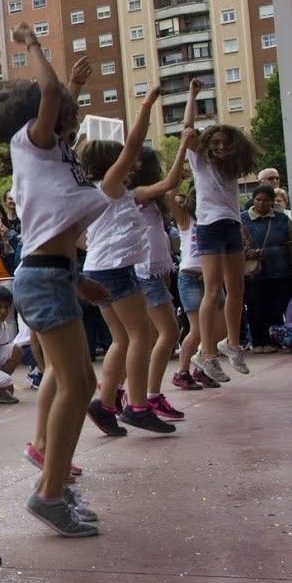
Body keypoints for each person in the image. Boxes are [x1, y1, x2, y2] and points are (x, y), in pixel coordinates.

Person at [0, 40, 104, 539]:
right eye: (64, 108)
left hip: (56, 273)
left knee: (84, 385)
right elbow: (50, 94)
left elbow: (60, 101)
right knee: (75, 385)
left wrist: (77, 277)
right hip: (43, 275)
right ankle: (49, 493)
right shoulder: (29, 142)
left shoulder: (55, 151)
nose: (72, 113)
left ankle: (54, 482)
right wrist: (33, 43)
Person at [77, 90, 184, 435]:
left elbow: (169, 183)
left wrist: (183, 145)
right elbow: (134, 145)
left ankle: (104, 403)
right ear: (114, 165)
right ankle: (137, 406)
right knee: (143, 336)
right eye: (126, 163)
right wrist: (146, 107)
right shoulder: (107, 187)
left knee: (122, 339)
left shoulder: (122, 194)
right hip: (114, 271)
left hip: (100, 269)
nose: (133, 166)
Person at [185, 78, 259, 382]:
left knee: (237, 289)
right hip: (209, 228)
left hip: (230, 226)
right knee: (213, 290)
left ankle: (231, 344)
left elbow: (231, 205)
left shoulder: (231, 171)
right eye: (213, 143)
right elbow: (188, 130)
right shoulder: (200, 162)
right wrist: (192, 94)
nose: (219, 147)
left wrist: (241, 227)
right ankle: (207, 354)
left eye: (224, 144)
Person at [129, 150, 187, 420]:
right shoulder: (138, 195)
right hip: (144, 273)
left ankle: (129, 391)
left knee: (152, 337)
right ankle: (148, 395)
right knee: (169, 333)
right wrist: (183, 147)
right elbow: (169, 183)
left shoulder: (150, 200)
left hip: (151, 272)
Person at [243, 185, 292, 352]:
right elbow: (235, 244)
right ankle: (258, 341)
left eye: (266, 200)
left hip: (280, 271)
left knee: (275, 307)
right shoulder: (242, 219)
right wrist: (246, 252)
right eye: (258, 199)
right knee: (255, 307)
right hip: (252, 273)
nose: (261, 203)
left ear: (272, 202)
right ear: (253, 200)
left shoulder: (282, 219)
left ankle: (273, 341)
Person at [170, 191, 219, 391]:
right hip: (190, 278)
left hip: (212, 280)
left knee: (217, 328)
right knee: (198, 330)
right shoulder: (186, 220)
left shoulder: (216, 223)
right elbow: (169, 198)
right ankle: (182, 372)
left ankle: (201, 367)